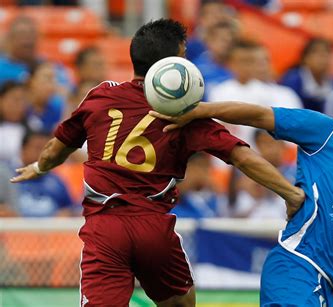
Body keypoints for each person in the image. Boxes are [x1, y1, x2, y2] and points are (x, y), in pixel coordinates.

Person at [10, 19, 304, 307]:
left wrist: (38, 168)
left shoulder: (101, 96)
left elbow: (55, 149)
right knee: (181, 303)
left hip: (105, 227)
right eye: (185, 56)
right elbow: (243, 157)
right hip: (154, 228)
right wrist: (290, 193)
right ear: (174, 65)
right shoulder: (185, 115)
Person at [150, 74, 333, 306]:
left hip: (329, 289)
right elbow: (257, 115)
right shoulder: (326, 132)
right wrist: (202, 110)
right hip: (296, 268)